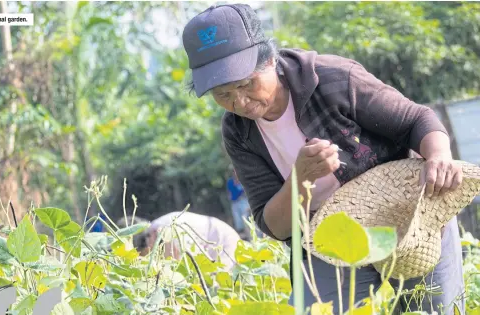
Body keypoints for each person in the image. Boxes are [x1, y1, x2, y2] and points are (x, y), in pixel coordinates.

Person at [181, 4, 465, 314]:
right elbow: (274, 224)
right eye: (223, 94)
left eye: (246, 84)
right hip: (327, 236)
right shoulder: (238, 132)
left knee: (430, 309)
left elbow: (416, 120)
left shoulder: (332, 79)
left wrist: (438, 156)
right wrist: (300, 180)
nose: (240, 101)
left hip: (405, 215)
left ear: (271, 59)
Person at [117, 211, 241, 269]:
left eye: (140, 254)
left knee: (219, 289)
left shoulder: (165, 233)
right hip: (211, 245)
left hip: (223, 243)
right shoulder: (154, 229)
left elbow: (180, 269)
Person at [226, 167, 251, 238]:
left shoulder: (242, 180)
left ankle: (250, 237)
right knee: (239, 222)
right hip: (234, 203)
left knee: (245, 220)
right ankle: (245, 237)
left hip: (243, 201)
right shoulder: (230, 182)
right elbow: (229, 193)